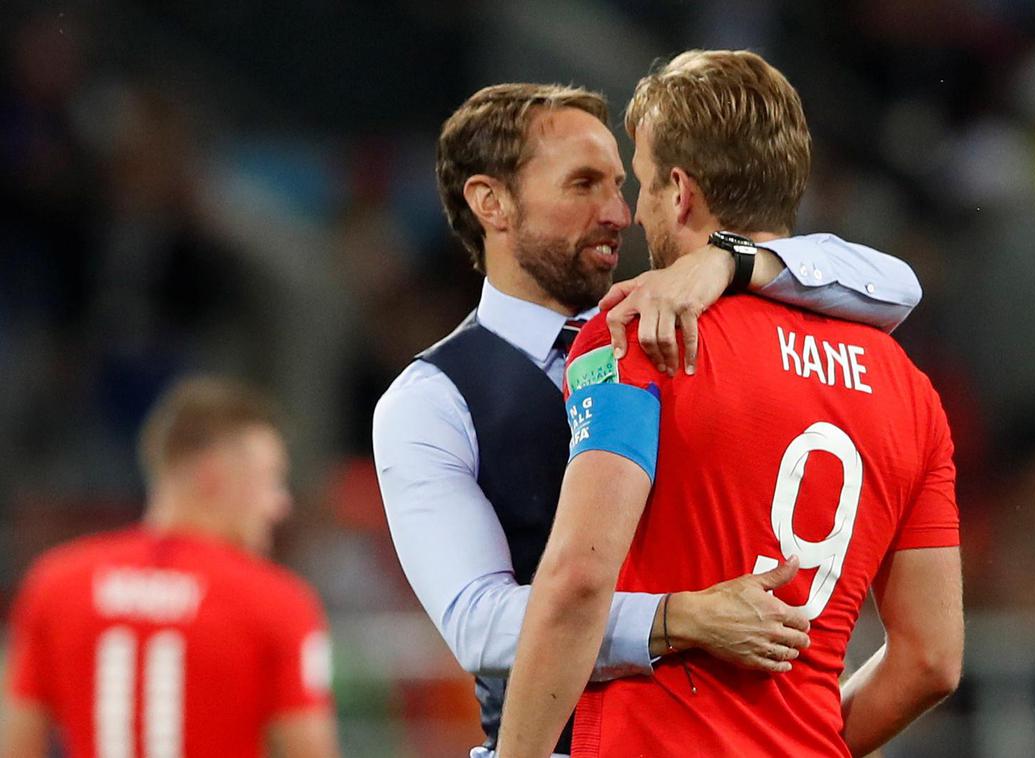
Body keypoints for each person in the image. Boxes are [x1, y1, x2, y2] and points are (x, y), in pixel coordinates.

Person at [373, 81, 925, 758]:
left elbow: (895, 283)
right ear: (491, 203)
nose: (617, 213)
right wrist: (678, 618)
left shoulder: (669, 322)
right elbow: (477, 626)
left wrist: (730, 259)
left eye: (619, 183)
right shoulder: (430, 400)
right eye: (582, 185)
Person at [497, 50, 963, 758]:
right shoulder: (909, 388)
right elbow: (931, 659)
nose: (630, 210)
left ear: (680, 193)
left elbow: (578, 579)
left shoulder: (643, 330)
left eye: (645, 184)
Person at [1, 377, 338, 758]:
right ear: (212, 476)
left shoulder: (56, 583)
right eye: (271, 480)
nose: (280, 504)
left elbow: (16, 745)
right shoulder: (278, 601)